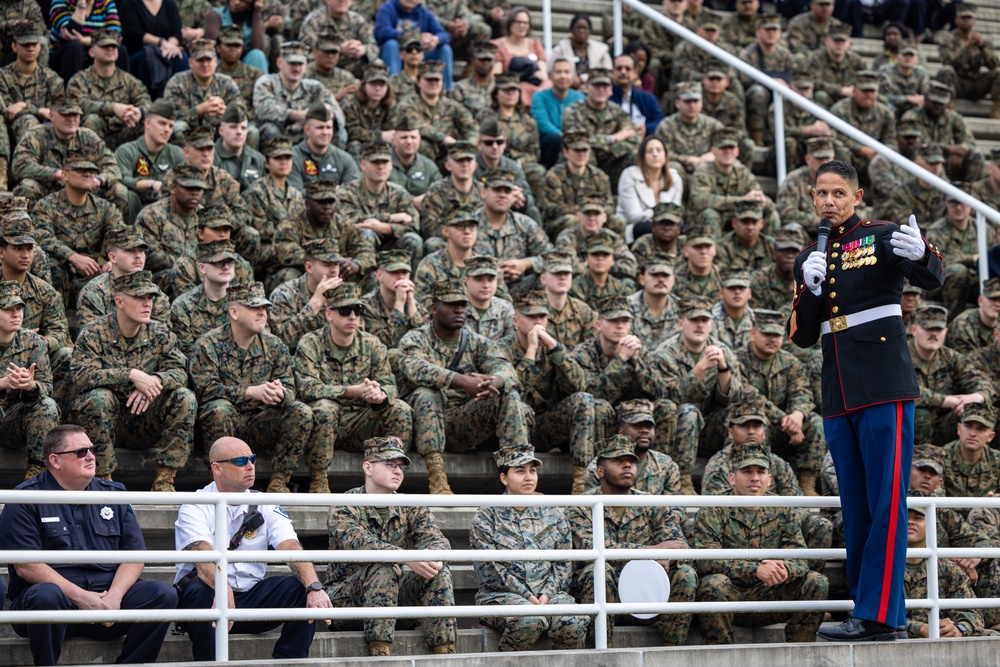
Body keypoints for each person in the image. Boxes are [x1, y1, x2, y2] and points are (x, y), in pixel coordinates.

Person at [788, 159, 944, 641]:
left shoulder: (881, 235)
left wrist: (923, 255)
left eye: (838, 193)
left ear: (857, 197)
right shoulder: (808, 256)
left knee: (886, 503)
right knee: (855, 506)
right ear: (811, 198)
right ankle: (875, 612)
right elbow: (801, 335)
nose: (828, 202)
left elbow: (931, 278)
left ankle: (879, 615)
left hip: (883, 384)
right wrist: (808, 288)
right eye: (821, 194)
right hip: (838, 390)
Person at [0, 425, 177, 667]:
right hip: (55, 606)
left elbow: (135, 556)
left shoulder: (114, 494)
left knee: (162, 594)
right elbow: (27, 566)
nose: (91, 456)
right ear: (55, 460)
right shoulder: (25, 497)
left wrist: (114, 597)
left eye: (92, 449)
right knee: (46, 595)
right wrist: (82, 597)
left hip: (108, 606)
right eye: (81, 452)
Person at [174, 436, 333, 661]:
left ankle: (289, 663)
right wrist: (223, 588)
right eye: (240, 461)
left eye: (252, 459)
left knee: (301, 587)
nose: (250, 466)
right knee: (201, 590)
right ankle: (209, 663)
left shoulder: (265, 503)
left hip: (250, 600)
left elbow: (290, 546)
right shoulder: (195, 504)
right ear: (217, 468)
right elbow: (202, 557)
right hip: (208, 602)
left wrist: (314, 587)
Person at [326, 435, 457, 656]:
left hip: (392, 601)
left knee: (437, 570)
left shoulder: (409, 504)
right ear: (368, 467)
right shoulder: (344, 505)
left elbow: (437, 540)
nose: (398, 471)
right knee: (383, 565)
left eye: (401, 467)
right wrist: (406, 557)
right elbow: (362, 546)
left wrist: (432, 557)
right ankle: (380, 652)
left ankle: (445, 650)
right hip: (348, 603)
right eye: (390, 465)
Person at [398, 276, 530, 494]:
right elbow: (415, 367)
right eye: (451, 305)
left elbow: (506, 368)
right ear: (434, 308)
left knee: (508, 394)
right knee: (426, 393)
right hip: (424, 425)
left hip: (461, 423)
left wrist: (494, 381)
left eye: (462, 305)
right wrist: (461, 381)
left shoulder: (476, 342)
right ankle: (438, 478)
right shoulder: (416, 338)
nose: (459, 310)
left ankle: (519, 478)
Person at [70, 270, 197, 490]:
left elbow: (179, 371)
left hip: (146, 419)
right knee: (98, 398)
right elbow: (81, 375)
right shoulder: (94, 332)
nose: (147, 303)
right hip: (107, 421)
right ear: (119, 301)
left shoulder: (161, 333)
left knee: (185, 397)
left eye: (150, 298)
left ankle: (165, 480)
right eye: (140, 297)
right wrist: (130, 375)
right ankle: (103, 479)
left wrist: (155, 380)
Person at [566, 434, 697, 647]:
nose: (627, 465)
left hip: (649, 591)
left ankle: (671, 651)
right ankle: (598, 652)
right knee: (597, 571)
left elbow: (679, 545)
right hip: (608, 593)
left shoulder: (650, 503)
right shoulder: (582, 506)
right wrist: (651, 551)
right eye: (618, 461)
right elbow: (592, 548)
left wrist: (669, 559)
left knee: (686, 574)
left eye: (631, 461)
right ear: (600, 471)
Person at [693, 442, 829, 644]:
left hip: (771, 594)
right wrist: (755, 569)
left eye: (760, 471)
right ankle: (720, 652)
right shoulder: (713, 509)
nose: (754, 478)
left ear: (769, 479)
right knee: (713, 585)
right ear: (732, 478)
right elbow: (706, 560)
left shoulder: (783, 508)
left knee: (817, 582)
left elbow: (799, 555)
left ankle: (801, 650)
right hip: (732, 597)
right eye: (747, 471)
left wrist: (784, 569)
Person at [293, 282, 413, 492]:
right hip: (323, 426)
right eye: (345, 311)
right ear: (329, 314)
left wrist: (379, 394)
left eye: (358, 311)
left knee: (400, 409)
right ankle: (318, 479)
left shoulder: (371, 344)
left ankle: (391, 476)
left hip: (361, 424)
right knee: (325, 408)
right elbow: (307, 388)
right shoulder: (310, 343)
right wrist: (351, 391)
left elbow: (390, 385)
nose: (352, 317)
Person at [470, 442, 589, 651]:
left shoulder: (553, 512)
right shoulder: (486, 515)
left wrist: (546, 595)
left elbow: (563, 564)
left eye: (532, 471)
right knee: (529, 620)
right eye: (520, 471)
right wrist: (528, 598)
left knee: (573, 621)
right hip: (501, 596)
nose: (529, 477)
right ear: (504, 478)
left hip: (550, 595)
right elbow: (489, 570)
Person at [499, 290, 597, 493]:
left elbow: (579, 385)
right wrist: (531, 353)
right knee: (516, 402)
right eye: (531, 316)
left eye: (542, 316)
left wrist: (554, 347)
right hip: (511, 426)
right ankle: (522, 483)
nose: (537, 322)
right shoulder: (502, 348)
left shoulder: (554, 347)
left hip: (544, 425)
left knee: (583, 400)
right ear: (516, 321)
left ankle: (581, 484)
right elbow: (514, 392)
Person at [31, 151, 124, 305]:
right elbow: (42, 236)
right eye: (81, 170)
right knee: (50, 264)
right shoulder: (46, 205)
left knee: (121, 267)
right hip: (63, 270)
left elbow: (119, 235)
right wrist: (73, 257)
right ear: (65, 176)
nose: (88, 174)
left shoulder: (105, 208)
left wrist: (111, 260)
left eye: (92, 171)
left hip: (95, 271)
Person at [0, 281, 60, 480]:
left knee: (47, 406)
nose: (16, 314)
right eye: (8, 309)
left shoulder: (32, 341)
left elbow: (47, 386)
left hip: (12, 421)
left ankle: (37, 476)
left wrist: (31, 386)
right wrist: (3, 383)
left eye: (19, 308)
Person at [909, 302, 991, 446]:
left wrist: (976, 397)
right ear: (914, 330)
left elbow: (981, 381)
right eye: (928, 328)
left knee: (976, 413)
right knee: (921, 415)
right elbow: (907, 390)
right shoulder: (900, 356)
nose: (933, 334)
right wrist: (947, 400)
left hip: (944, 423)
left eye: (938, 329)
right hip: (908, 424)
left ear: (945, 332)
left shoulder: (951, 357)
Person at [902, 504, 986, 637]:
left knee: (991, 635)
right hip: (897, 638)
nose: (910, 521)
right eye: (905, 516)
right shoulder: (880, 566)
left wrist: (959, 629)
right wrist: (920, 628)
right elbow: (867, 615)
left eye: (918, 518)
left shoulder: (948, 568)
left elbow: (972, 613)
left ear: (931, 526)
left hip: (941, 637)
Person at [337, 138, 424, 264]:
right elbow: (348, 222)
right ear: (363, 165)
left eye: (385, 162)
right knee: (366, 234)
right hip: (358, 248)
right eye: (375, 162)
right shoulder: (347, 192)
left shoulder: (399, 193)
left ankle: (410, 281)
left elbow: (414, 225)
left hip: (392, 245)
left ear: (391, 165)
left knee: (413, 240)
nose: (381, 167)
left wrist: (385, 228)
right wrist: (391, 218)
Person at [66, 27, 151, 151]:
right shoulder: (79, 80)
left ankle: (142, 168)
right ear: (92, 52)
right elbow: (79, 105)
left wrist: (139, 112)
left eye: (114, 46)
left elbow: (146, 101)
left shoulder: (129, 80)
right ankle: (92, 166)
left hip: (123, 133)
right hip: (93, 136)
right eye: (104, 46)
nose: (110, 49)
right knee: (91, 120)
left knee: (147, 123)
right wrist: (113, 108)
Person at [76, 225, 170, 327]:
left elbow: (162, 337)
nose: (138, 255)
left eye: (141, 250)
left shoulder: (156, 295)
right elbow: (89, 338)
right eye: (130, 250)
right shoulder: (94, 293)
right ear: (113, 257)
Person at [562, 67, 638, 189]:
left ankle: (625, 195)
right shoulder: (573, 111)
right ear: (586, 88)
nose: (601, 90)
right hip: (580, 161)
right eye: (596, 86)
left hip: (610, 160)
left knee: (635, 154)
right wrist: (613, 138)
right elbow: (577, 141)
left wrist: (610, 149)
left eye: (605, 86)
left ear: (611, 90)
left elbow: (633, 138)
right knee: (586, 153)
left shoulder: (617, 112)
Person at [253, 40, 342, 145]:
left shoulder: (315, 87)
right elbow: (264, 110)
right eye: (292, 63)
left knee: (340, 133)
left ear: (306, 65)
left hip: (306, 138)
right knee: (270, 129)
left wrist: (328, 111)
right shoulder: (267, 83)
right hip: (279, 138)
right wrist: (297, 115)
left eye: (300, 64)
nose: (296, 68)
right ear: (279, 63)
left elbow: (339, 115)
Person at [114, 98, 186, 221]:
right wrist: (150, 184)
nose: (167, 130)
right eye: (162, 123)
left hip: (166, 211)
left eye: (171, 126)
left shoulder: (176, 154)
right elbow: (121, 180)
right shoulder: (127, 151)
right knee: (128, 195)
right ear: (147, 123)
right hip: (135, 210)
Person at [396, 60, 476, 166]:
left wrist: (469, 143)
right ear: (419, 81)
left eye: (437, 80)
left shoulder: (451, 105)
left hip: (448, 153)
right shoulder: (408, 103)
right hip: (422, 153)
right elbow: (416, 125)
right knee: (424, 146)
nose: (433, 83)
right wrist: (443, 138)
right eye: (429, 80)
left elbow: (470, 125)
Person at [543, 129, 618, 238]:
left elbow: (609, 204)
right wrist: (583, 212)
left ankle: (612, 251)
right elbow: (552, 208)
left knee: (617, 221)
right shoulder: (554, 176)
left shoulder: (599, 176)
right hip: (562, 221)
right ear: (566, 152)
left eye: (585, 150)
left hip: (594, 217)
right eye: (577, 150)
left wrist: (595, 214)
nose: (581, 154)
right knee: (572, 221)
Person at [162, 38, 242, 138]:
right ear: (190, 62)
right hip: (190, 136)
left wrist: (227, 113)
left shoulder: (227, 83)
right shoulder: (177, 82)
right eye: (200, 60)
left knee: (249, 131)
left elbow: (242, 112)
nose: (205, 64)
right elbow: (169, 116)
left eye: (209, 60)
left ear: (215, 62)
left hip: (220, 135)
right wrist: (200, 110)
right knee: (178, 127)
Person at [934, 2, 1000, 119]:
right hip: (957, 83)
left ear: (974, 20)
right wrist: (966, 48)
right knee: (945, 71)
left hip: (976, 83)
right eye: (963, 17)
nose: (966, 20)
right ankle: (949, 108)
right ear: (956, 20)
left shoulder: (982, 40)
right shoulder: (947, 39)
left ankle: (996, 110)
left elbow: (994, 64)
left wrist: (982, 47)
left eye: (969, 18)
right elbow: (947, 62)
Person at [616, 136, 682, 243]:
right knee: (647, 228)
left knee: (682, 230)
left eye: (659, 150)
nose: (655, 154)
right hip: (636, 226)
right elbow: (633, 216)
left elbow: (675, 211)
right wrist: (661, 215)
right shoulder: (629, 175)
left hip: (664, 225)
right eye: (649, 151)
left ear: (665, 155)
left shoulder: (675, 178)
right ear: (642, 157)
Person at [375, 0, 454, 88]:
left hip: (419, 52)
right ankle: (392, 89)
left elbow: (444, 35)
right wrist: (414, 37)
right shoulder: (387, 8)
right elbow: (381, 32)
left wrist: (435, 39)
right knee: (391, 45)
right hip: (398, 52)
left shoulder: (424, 13)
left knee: (445, 49)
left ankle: (447, 91)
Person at [289, 101, 360, 194]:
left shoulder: (344, 159)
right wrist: (334, 191)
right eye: (320, 128)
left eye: (328, 127)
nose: (325, 132)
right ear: (307, 130)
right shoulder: (292, 158)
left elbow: (354, 192)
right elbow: (294, 194)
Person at [119, 0, 187, 97]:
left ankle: (180, 101)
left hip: (167, 49)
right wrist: (161, 43)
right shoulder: (130, 3)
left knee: (181, 58)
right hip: (139, 50)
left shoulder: (169, 3)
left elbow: (176, 31)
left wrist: (170, 46)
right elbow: (133, 32)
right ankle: (148, 102)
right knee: (148, 60)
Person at [299, 0, 379, 79]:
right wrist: (339, 49)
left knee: (376, 64)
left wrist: (363, 49)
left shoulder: (357, 20)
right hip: (322, 64)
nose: (342, 1)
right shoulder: (314, 20)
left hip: (349, 64)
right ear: (327, 1)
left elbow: (373, 46)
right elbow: (306, 48)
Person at [530, 57, 584, 168]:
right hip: (549, 143)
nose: (563, 76)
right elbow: (541, 122)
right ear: (550, 75)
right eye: (558, 72)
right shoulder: (540, 96)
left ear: (573, 76)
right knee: (554, 139)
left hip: (574, 141)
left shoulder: (581, 98)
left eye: (566, 72)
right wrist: (563, 136)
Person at [490, 6, 549, 106]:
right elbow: (496, 76)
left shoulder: (535, 44)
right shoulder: (498, 45)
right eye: (518, 22)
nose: (522, 25)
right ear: (510, 23)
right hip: (510, 90)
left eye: (525, 23)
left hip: (536, 89)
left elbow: (543, 76)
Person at [343, 62, 396, 160]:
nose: (378, 88)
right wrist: (380, 136)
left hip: (381, 143)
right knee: (355, 146)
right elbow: (352, 132)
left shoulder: (390, 105)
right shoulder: (351, 103)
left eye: (382, 85)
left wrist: (385, 137)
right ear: (364, 86)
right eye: (373, 84)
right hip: (359, 143)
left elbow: (391, 130)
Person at [389, 115, 441, 211]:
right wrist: (411, 201)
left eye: (413, 137)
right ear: (393, 140)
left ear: (419, 139)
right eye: (403, 137)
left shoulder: (428, 166)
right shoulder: (383, 163)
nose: (409, 141)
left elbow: (440, 193)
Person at [628, 253, 679, 349]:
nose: (660, 280)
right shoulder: (627, 306)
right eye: (655, 275)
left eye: (665, 275)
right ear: (642, 279)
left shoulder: (682, 309)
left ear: (673, 280)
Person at [215, 102, 265, 192]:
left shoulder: (258, 159)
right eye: (233, 127)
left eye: (243, 128)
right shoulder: (212, 157)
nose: (239, 132)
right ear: (221, 131)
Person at [462, 255, 514, 341]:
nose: (486, 285)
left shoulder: (505, 309)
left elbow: (512, 345)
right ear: (466, 280)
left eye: (491, 280)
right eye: (479, 279)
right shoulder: (456, 308)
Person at [550, 14, 611, 88]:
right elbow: (550, 71)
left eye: (585, 28)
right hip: (567, 90)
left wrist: (582, 79)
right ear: (571, 30)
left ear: (590, 31)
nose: (581, 31)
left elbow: (608, 72)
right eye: (578, 28)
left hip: (595, 90)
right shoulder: (560, 49)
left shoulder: (601, 50)